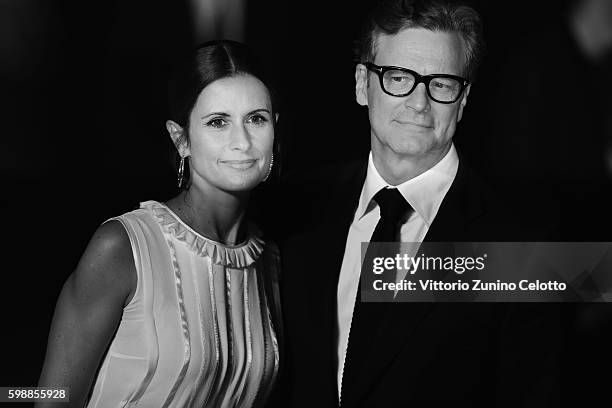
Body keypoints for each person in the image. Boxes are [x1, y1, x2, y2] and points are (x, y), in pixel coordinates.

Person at [280, 1, 561, 407]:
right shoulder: (296, 210)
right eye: (398, 77)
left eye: (442, 84)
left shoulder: (526, 247)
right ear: (363, 84)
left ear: (463, 100)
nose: (418, 102)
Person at [37, 40, 281, 408]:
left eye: (256, 119)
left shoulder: (271, 261)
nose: (242, 142)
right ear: (180, 138)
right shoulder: (122, 247)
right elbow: (49, 398)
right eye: (218, 122)